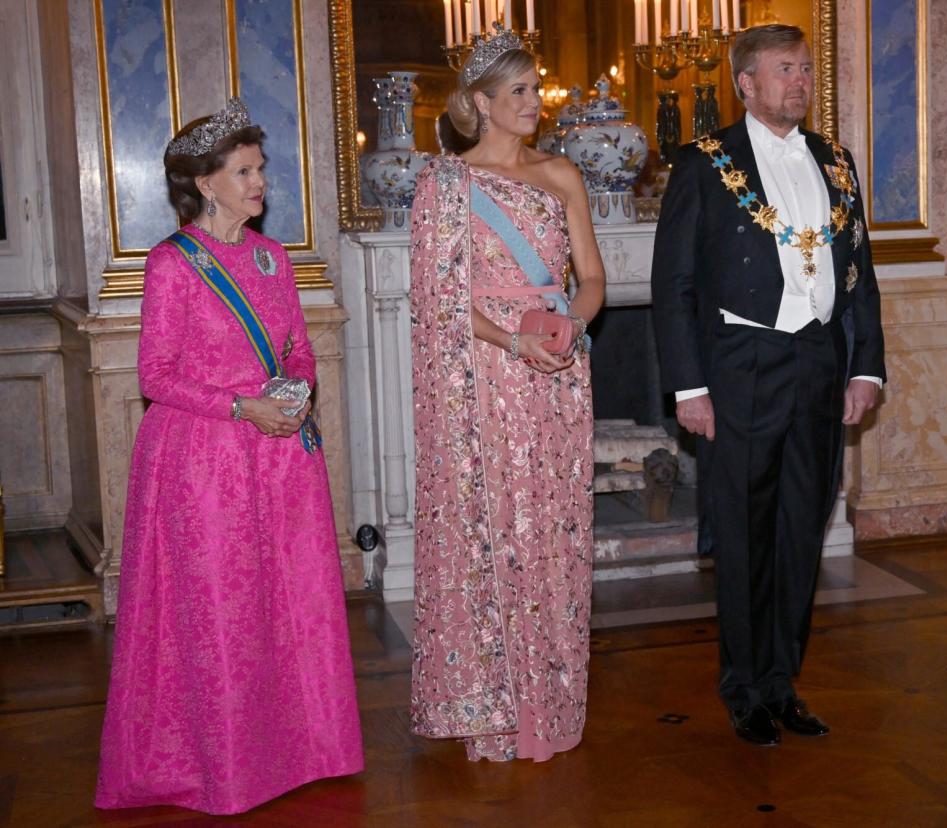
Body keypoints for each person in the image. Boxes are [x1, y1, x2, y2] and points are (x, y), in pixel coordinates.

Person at [95, 99, 363, 814]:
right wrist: (244, 406)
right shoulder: (171, 264)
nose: (261, 183)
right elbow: (157, 376)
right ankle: (225, 764)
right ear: (206, 184)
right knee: (223, 611)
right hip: (203, 461)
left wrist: (299, 390)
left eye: (261, 170)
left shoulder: (273, 258)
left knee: (287, 604)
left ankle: (304, 748)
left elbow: (298, 348)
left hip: (280, 458)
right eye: (244, 171)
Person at [651, 24, 885, 746]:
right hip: (739, 368)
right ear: (745, 83)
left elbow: (859, 277)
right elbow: (674, 285)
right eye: (784, 69)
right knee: (746, 535)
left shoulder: (835, 161)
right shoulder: (702, 162)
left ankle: (782, 681)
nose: (799, 81)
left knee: (800, 529)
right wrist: (688, 388)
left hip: (817, 366)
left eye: (805, 69)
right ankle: (743, 688)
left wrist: (865, 366)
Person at [407, 26, 604, 762]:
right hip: (486, 377)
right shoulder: (445, 183)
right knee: (496, 527)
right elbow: (438, 302)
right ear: (480, 104)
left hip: (558, 373)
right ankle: (494, 702)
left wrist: (568, 328)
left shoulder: (562, 175)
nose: (534, 101)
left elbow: (592, 278)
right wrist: (515, 340)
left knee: (553, 532)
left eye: (536, 87)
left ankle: (549, 698)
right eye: (517, 91)